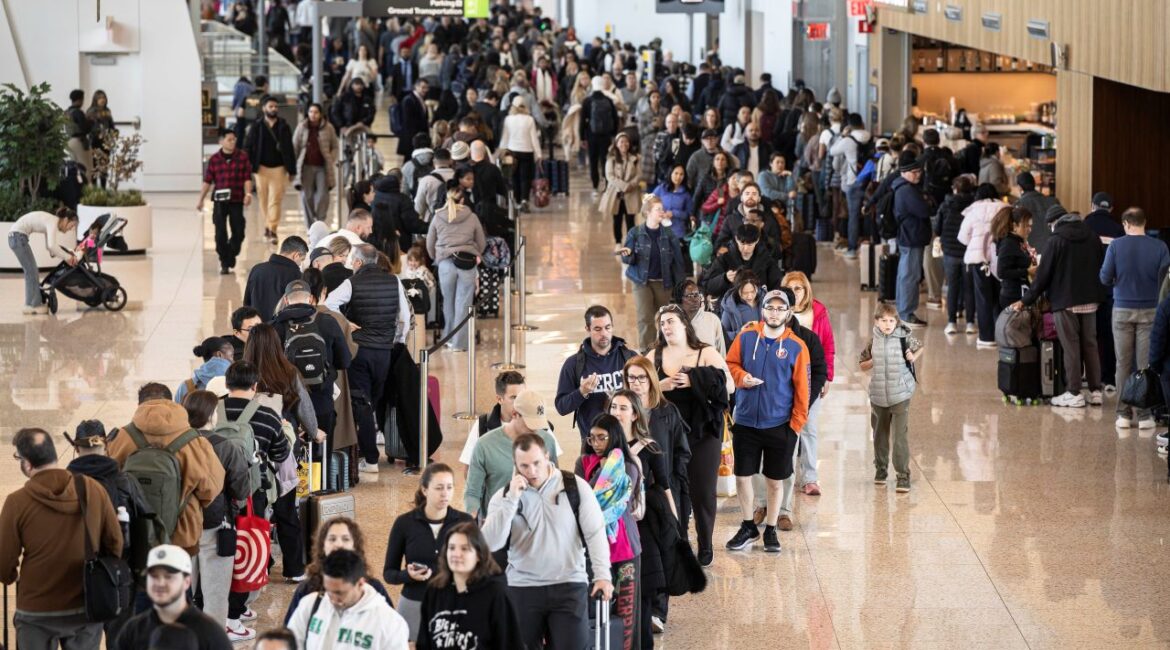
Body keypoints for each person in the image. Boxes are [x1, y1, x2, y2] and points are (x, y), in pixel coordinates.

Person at [480, 433, 613, 649]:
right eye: (524, 466)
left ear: (547, 456)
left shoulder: (575, 487)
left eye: (536, 463)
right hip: (522, 587)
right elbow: (490, 543)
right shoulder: (504, 496)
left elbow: (595, 533)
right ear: (515, 465)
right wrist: (511, 500)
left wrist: (602, 575)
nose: (531, 471)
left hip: (569, 584)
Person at [0, 428, 122, 650]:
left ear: (27, 464)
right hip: (85, 602)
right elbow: (115, 542)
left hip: (36, 608)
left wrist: (10, 576)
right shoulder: (92, 489)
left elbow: (4, 561)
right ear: (54, 454)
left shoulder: (17, 502)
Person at [723, 289, 810, 554]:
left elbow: (803, 391)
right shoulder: (747, 336)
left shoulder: (797, 346)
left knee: (775, 481)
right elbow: (730, 364)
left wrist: (794, 427)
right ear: (762, 310)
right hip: (746, 421)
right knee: (742, 477)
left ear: (788, 313)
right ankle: (748, 526)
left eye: (780, 308)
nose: (774, 313)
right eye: (770, 308)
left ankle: (771, 528)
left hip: (780, 425)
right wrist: (741, 378)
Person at [650, 304, 733, 567]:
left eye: (671, 321)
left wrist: (695, 380)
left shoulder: (705, 352)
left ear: (684, 324)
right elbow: (636, 390)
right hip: (668, 433)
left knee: (703, 490)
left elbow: (729, 385)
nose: (666, 326)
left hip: (703, 432)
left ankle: (705, 543)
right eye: (662, 323)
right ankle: (681, 542)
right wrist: (661, 385)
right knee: (673, 488)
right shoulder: (654, 356)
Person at [108, 383, 225, 553]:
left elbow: (109, 484)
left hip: (133, 534)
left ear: (139, 405)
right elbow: (210, 490)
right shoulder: (195, 441)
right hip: (182, 537)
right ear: (172, 403)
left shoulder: (121, 437)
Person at [325, 243, 411, 473]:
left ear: (359, 262)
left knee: (362, 402)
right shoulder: (394, 281)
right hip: (384, 351)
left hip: (360, 349)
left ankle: (370, 458)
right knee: (374, 399)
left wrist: (346, 324)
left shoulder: (351, 283)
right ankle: (374, 438)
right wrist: (399, 340)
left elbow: (329, 303)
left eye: (352, 260)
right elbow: (404, 316)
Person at [1011, 208, 1108, 408]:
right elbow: (1101, 266)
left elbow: (1042, 276)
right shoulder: (1092, 237)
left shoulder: (1055, 241)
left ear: (1054, 223)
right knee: (1090, 344)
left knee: (1070, 345)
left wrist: (1025, 300)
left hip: (1065, 300)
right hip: (1091, 299)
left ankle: (1074, 392)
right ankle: (1095, 391)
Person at [181, 390, 250, 635]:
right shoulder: (226, 447)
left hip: (182, 526)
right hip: (217, 524)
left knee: (182, 592)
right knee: (216, 594)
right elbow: (241, 488)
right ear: (212, 415)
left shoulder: (177, 445)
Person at [575, 414, 643, 650]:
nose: (596, 443)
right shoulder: (583, 462)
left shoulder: (629, 466)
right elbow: (580, 499)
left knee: (626, 613)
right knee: (593, 610)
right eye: (591, 438)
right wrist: (600, 472)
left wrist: (608, 469)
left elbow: (614, 501)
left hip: (624, 547)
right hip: (592, 547)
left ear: (614, 436)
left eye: (601, 437)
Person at [384, 463, 473, 641]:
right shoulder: (404, 523)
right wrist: (408, 575)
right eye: (439, 488)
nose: (445, 493)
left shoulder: (465, 522)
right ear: (425, 490)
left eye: (449, 487)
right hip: (413, 605)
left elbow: (479, 569)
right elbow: (389, 574)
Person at [1099, 207, 1170, 428]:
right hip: (1150, 310)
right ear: (1144, 222)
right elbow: (1165, 281)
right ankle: (1145, 415)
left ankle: (1123, 414)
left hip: (1122, 309)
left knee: (1122, 363)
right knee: (1144, 364)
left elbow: (1104, 277)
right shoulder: (1160, 247)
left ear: (1125, 224)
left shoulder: (1115, 246)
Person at [416, 522, 522, 650]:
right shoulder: (434, 590)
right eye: (452, 548)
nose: (456, 554)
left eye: (464, 549)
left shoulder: (496, 594)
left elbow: (510, 644)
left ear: (479, 555)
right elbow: (424, 643)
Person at [272, 278, 353, 442]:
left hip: (288, 404)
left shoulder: (274, 327)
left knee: (292, 451)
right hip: (322, 400)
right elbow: (344, 361)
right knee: (322, 451)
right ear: (310, 299)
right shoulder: (328, 322)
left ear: (286, 300)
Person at [464, 390, 561, 518]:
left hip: (536, 521)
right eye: (530, 424)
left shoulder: (547, 440)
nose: (535, 431)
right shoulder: (485, 445)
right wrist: (472, 522)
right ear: (515, 414)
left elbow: (555, 483)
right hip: (497, 520)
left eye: (539, 425)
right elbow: (472, 493)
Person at [114, 545, 232, 649]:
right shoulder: (133, 630)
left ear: (187, 582)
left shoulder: (211, 634)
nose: (160, 583)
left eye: (168, 576)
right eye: (154, 576)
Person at [287, 550, 410, 649]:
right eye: (328, 591)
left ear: (360, 583)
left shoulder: (390, 623)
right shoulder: (309, 604)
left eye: (340, 593)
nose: (333, 599)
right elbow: (290, 644)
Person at [859, 303, 923, 492]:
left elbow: (920, 347)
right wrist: (873, 361)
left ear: (897, 322)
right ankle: (881, 470)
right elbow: (862, 364)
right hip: (878, 395)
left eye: (891, 321)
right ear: (876, 322)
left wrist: (913, 356)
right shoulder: (873, 342)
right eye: (884, 320)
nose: (888, 324)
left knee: (899, 437)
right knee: (879, 436)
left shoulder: (904, 337)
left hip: (900, 394)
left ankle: (903, 475)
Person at [781, 272, 834, 496]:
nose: (795, 293)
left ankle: (810, 477)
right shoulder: (776, 312)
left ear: (806, 290)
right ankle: (786, 475)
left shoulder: (818, 312)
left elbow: (828, 345)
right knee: (787, 430)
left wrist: (828, 377)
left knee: (809, 428)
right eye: (790, 288)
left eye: (799, 288)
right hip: (785, 379)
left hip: (811, 377)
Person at [283, 517, 394, 625]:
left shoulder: (374, 587)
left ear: (355, 546)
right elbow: (289, 632)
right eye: (332, 539)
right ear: (323, 546)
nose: (338, 544)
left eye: (345, 539)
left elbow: (392, 627)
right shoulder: (306, 589)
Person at [554, 305, 639, 436]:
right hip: (592, 440)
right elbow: (562, 407)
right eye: (597, 329)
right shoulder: (573, 364)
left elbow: (646, 397)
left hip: (627, 437)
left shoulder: (630, 358)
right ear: (588, 329)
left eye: (607, 327)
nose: (604, 333)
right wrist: (582, 392)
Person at [619, 194, 686, 350]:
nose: (662, 212)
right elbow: (627, 258)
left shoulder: (669, 234)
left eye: (662, 209)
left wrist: (681, 285)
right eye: (658, 209)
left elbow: (678, 261)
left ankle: (663, 349)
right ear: (647, 212)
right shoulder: (635, 233)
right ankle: (647, 351)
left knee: (664, 318)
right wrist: (628, 255)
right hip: (641, 282)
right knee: (645, 317)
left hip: (664, 282)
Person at [426, 183, 487, 352]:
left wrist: (436, 257)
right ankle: (459, 343)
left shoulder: (438, 217)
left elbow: (430, 242)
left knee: (448, 302)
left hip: (445, 263)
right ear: (462, 200)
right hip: (467, 262)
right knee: (464, 303)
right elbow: (482, 242)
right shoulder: (472, 217)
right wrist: (476, 253)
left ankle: (448, 337)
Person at [198, 129, 254, 274]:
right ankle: (224, 261)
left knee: (239, 231)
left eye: (234, 139)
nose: (232, 142)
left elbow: (247, 178)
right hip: (219, 201)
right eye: (229, 139)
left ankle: (231, 254)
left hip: (236, 199)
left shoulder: (242, 157)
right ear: (221, 141)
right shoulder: (214, 159)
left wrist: (248, 194)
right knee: (220, 233)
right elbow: (207, 181)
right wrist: (201, 200)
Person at [958, 187, 1008, 349]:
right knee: (1000, 297)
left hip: (979, 260)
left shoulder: (973, 211)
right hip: (1000, 259)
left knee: (983, 298)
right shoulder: (1005, 209)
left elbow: (962, 237)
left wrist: (975, 242)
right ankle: (1002, 335)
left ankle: (987, 337)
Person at [243, 95, 297, 244]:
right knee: (263, 200)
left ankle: (272, 229)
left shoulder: (283, 126)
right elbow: (248, 146)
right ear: (264, 108)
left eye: (275, 107)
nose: (274, 109)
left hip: (279, 168)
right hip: (261, 169)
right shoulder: (257, 126)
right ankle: (267, 226)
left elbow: (289, 149)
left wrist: (292, 170)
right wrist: (248, 166)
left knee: (275, 200)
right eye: (271, 106)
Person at [8, 208, 80, 313]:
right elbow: (51, 246)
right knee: (31, 271)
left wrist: (66, 254)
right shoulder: (53, 222)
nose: (71, 229)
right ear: (65, 220)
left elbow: (50, 248)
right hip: (17, 237)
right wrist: (68, 257)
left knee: (31, 271)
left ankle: (31, 304)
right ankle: (33, 305)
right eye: (72, 225)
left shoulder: (51, 221)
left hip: (16, 237)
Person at [891, 151, 932, 327]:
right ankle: (907, 313)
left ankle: (903, 310)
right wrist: (927, 202)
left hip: (908, 236)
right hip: (912, 236)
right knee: (910, 276)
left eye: (919, 171)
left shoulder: (902, 187)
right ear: (904, 172)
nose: (918, 175)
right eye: (914, 172)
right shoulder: (907, 190)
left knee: (905, 274)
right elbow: (924, 210)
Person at [938, 175, 977, 335]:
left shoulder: (946, 205)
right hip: (968, 251)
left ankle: (951, 322)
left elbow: (938, 228)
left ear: (954, 189)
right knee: (969, 287)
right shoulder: (974, 206)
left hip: (950, 251)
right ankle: (970, 323)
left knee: (952, 287)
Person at [701, 224, 781, 300]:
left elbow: (776, 288)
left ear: (757, 240)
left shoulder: (767, 260)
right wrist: (725, 278)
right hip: (730, 305)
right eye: (742, 243)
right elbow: (707, 286)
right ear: (736, 239)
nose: (745, 249)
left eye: (750, 245)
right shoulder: (724, 259)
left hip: (758, 304)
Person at [293, 103, 339, 228]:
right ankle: (310, 226)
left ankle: (320, 222)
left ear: (321, 114)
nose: (313, 115)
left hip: (322, 168)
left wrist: (331, 158)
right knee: (306, 196)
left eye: (316, 112)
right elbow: (295, 146)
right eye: (311, 112)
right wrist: (293, 165)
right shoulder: (302, 127)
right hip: (306, 166)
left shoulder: (328, 127)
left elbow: (335, 146)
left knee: (323, 196)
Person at [245, 235, 308, 320]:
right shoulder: (297, 276)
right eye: (302, 259)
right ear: (296, 255)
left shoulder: (257, 269)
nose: (300, 264)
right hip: (280, 327)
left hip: (256, 326)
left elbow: (247, 304)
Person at [498, 96, 543, 211]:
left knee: (514, 177)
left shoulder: (508, 119)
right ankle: (524, 200)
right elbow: (534, 139)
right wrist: (539, 154)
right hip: (527, 151)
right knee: (525, 178)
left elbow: (505, 137)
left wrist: (501, 152)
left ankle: (517, 201)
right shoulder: (529, 119)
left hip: (511, 152)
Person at [602, 132, 643, 247]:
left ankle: (630, 243)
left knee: (631, 220)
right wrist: (624, 186)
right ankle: (618, 242)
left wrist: (631, 185)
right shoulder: (611, 159)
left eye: (626, 142)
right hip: (616, 194)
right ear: (616, 144)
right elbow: (610, 176)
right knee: (617, 219)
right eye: (621, 142)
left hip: (631, 193)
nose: (624, 144)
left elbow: (639, 175)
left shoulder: (636, 158)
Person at [581, 76, 620, 194]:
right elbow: (615, 119)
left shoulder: (587, 101)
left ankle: (595, 186)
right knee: (606, 161)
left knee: (593, 161)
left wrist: (582, 137)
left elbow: (582, 121)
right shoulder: (608, 100)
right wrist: (614, 134)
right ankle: (607, 185)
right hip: (606, 136)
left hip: (591, 135)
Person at [993, 206, 1036, 310]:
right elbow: (1002, 272)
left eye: (1030, 226)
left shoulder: (1019, 241)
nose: (1029, 230)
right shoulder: (1008, 244)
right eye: (1025, 226)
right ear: (1014, 226)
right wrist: (1027, 271)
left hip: (1022, 294)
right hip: (1012, 297)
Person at [174, 336, 234, 404]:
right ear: (219, 355)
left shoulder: (186, 386)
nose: (233, 361)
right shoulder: (236, 382)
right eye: (231, 356)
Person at [676, 279, 726, 355]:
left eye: (697, 295)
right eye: (689, 296)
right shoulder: (673, 322)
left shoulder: (712, 320)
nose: (695, 299)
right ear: (680, 299)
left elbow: (721, 353)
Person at [1014, 172, 1059, 252]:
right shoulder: (1053, 201)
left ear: (1020, 187)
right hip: (1054, 248)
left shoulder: (1019, 205)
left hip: (1032, 251)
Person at [720, 270, 763, 347]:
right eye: (745, 293)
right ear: (737, 290)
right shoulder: (730, 308)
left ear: (757, 287)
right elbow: (721, 334)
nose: (749, 296)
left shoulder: (766, 301)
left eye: (753, 291)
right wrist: (740, 332)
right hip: (742, 349)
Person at [651, 163, 693, 241]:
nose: (678, 177)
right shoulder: (661, 188)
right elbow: (650, 202)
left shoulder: (686, 194)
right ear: (670, 173)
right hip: (660, 230)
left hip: (678, 233)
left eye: (681, 174)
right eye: (676, 173)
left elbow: (688, 214)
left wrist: (674, 213)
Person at [415, 147, 457, 223]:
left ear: (434, 162)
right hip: (457, 219)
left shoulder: (426, 180)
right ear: (450, 160)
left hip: (433, 221)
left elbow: (419, 207)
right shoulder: (458, 178)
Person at [65, 89, 93, 171]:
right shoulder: (78, 112)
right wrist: (91, 122)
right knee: (85, 167)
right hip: (80, 142)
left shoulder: (67, 112)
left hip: (69, 141)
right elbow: (84, 128)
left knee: (74, 168)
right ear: (80, 100)